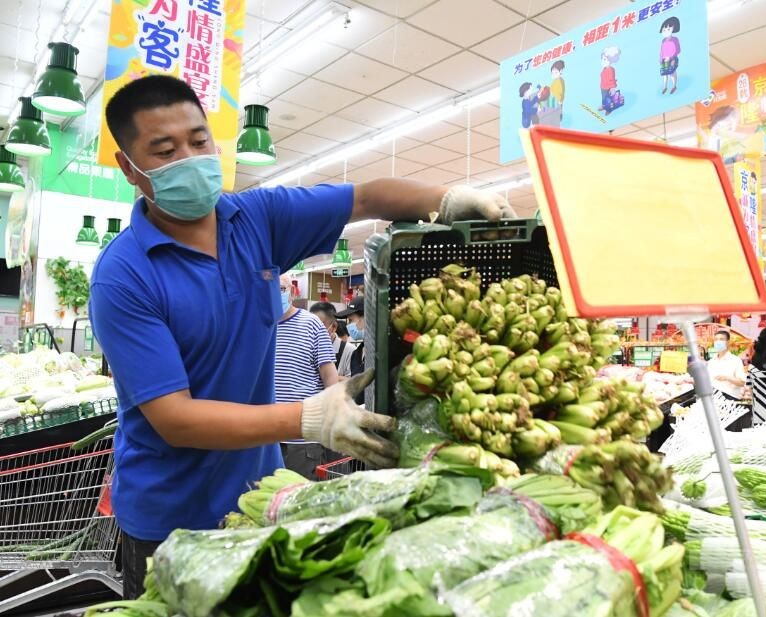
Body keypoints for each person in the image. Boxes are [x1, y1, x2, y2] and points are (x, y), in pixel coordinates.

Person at [88, 74, 516, 598]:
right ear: (130, 169)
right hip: (168, 514)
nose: (190, 158)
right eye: (164, 149)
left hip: (259, 491)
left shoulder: (255, 219)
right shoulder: (124, 275)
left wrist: (447, 199)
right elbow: (175, 419)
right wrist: (309, 418)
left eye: (199, 140)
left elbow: (368, 197)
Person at [274, 274, 340, 477]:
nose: (277, 295)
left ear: (293, 292)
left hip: (303, 440)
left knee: (300, 499)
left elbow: (330, 376)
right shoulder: (261, 325)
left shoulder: (312, 324)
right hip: (266, 436)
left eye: (282, 289)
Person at [310, 301, 355, 379]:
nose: (313, 330)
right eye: (310, 325)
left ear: (334, 327)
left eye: (319, 326)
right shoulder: (306, 348)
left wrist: (327, 377)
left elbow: (352, 382)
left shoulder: (349, 350)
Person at [337, 296, 366, 405]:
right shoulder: (356, 354)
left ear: (365, 317)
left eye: (351, 320)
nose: (349, 326)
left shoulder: (380, 353)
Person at [707, 330, 746, 400]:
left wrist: (727, 378)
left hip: (730, 399)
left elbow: (742, 382)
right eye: (716, 340)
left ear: (728, 342)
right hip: (713, 398)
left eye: (721, 339)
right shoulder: (711, 362)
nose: (718, 342)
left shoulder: (735, 360)